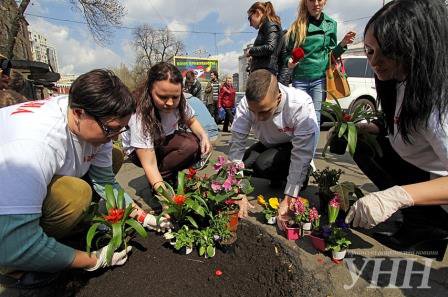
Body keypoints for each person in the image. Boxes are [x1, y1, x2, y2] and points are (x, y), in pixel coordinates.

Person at [0, 69, 170, 289]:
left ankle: (61, 230)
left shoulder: (89, 118)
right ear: (79, 113)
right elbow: (13, 245)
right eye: (111, 129)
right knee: (75, 195)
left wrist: (144, 217)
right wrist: (92, 260)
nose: (116, 137)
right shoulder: (33, 146)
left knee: (112, 158)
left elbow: (106, 183)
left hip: (23, 180)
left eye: (121, 129)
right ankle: (17, 267)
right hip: (8, 206)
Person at [344, 0, 448, 258]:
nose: (375, 61)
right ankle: (419, 221)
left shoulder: (438, 106)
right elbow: (402, 116)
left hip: (439, 183)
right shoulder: (399, 78)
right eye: (369, 51)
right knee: (364, 146)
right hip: (422, 167)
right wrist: (378, 127)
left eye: (386, 51)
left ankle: (431, 228)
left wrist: (397, 196)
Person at [228, 69, 318, 218]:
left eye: (264, 111)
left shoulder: (300, 104)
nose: (258, 117)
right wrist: (237, 191)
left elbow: (302, 153)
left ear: (278, 97)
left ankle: (302, 177)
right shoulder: (246, 104)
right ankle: (277, 175)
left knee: (262, 164)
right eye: (253, 112)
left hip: (291, 146)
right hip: (267, 144)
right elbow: (236, 147)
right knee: (246, 164)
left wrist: (290, 197)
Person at [122, 62, 211, 192]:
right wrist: (166, 201)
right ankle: (160, 184)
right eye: (162, 97)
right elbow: (149, 163)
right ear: (150, 90)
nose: (170, 103)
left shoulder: (180, 102)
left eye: (175, 97)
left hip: (163, 140)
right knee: (184, 148)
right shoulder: (140, 113)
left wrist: (204, 136)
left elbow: (191, 120)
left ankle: (168, 175)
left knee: (193, 145)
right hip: (139, 151)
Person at [285, 0, 356, 128]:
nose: (316, 3)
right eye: (312, 0)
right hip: (300, 79)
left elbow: (331, 56)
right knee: (299, 117)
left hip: (320, 79)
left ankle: (310, 149)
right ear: (306, 3)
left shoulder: (331, 24)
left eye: (320, 0)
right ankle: (301, 147)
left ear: (325, 2)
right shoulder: (297, 26)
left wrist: (343, 44)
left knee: (315, 117)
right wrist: (288, 61)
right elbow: (286, 53)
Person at [246, 1, 282, 74]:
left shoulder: (269, 25)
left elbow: (270, 47)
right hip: (264, 73)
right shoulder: (266, 26)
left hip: (265, 74)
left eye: (250, 18)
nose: (250, 24)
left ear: (257, 12)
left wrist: (251, 51)